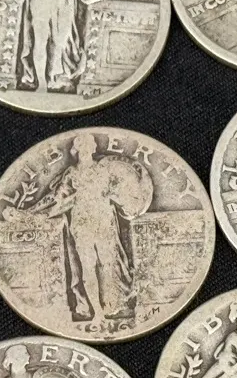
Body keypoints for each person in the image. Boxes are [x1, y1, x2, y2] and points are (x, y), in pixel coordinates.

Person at [33, 134, 152, 321]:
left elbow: (117, 193)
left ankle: (111, 306)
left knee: (108, 265)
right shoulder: (71, 173)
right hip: (82, 223)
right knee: (87, 267)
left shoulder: (104, 168)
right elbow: (58, 199)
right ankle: (96, 312)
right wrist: (34, 211)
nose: (86, 148)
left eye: (89, 145)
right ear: (76, 149)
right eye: (82, 145)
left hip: (104, 221)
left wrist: (128, 202)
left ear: (94, 148)